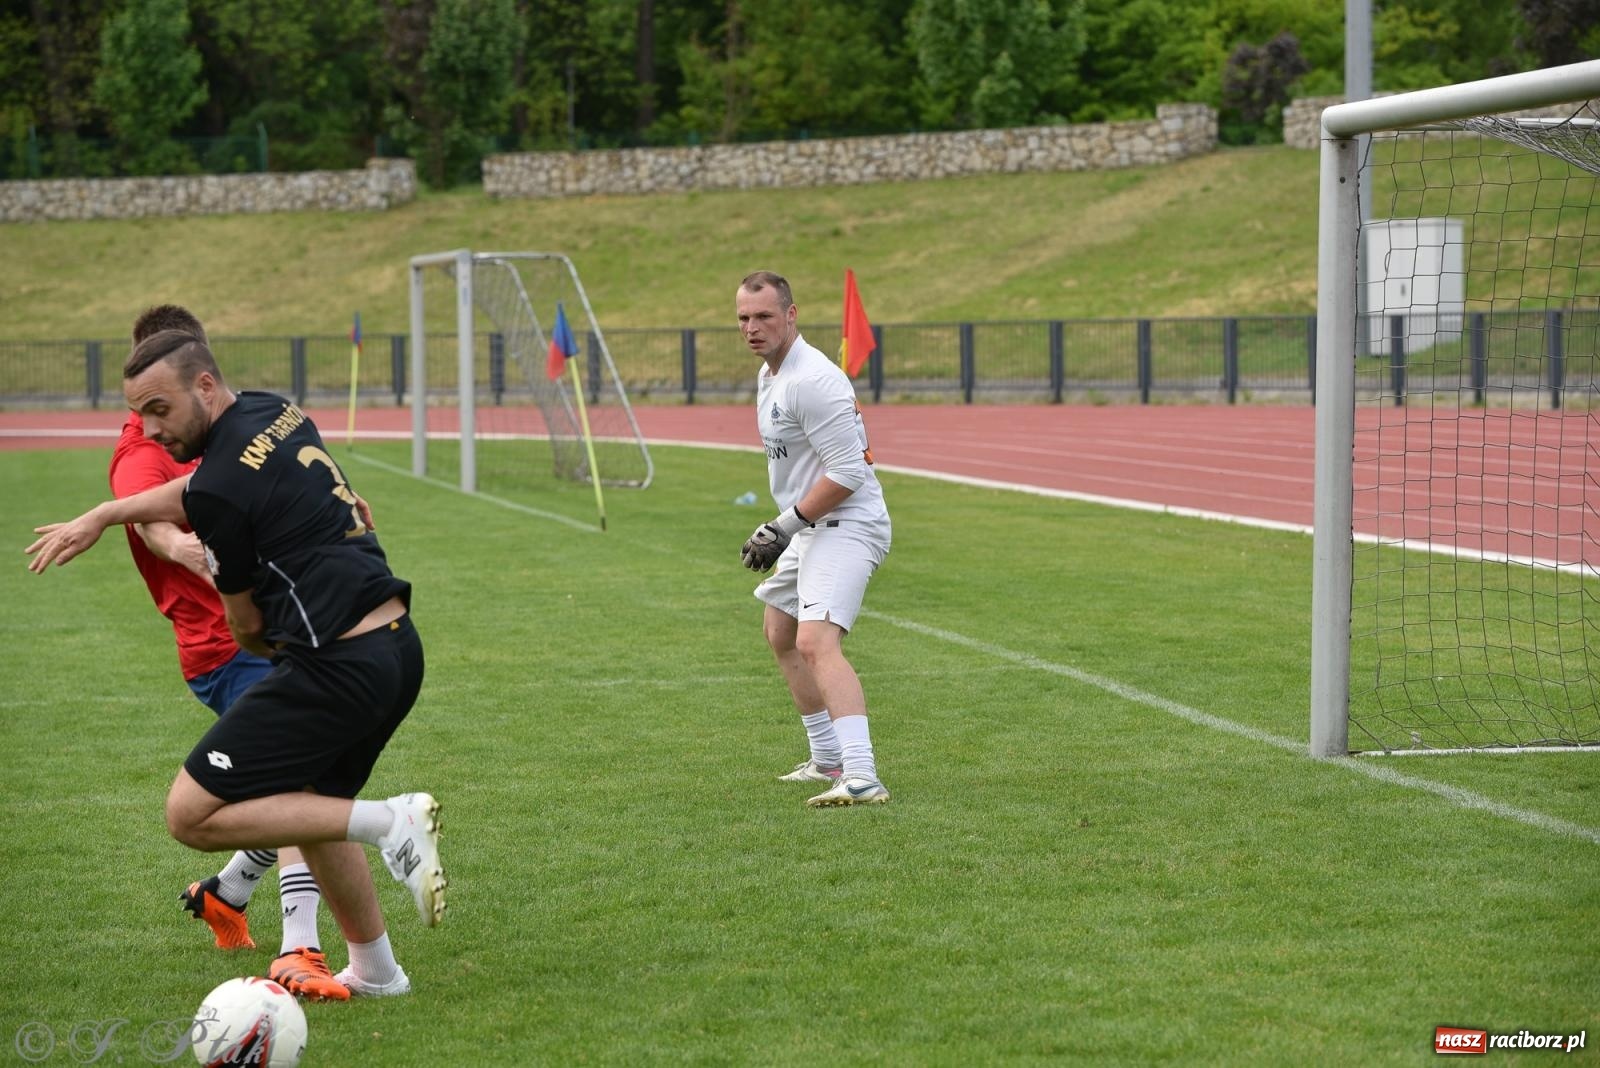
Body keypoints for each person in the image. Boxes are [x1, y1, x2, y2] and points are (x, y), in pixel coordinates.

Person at [28, 329, 446, 999]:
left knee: (190, 815)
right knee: (308, 807)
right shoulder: (269, 408)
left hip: (337, 663)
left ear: (201, 386)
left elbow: (246, 624)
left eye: (159, 410)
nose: (151, 430)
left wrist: (274, 658)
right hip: (398, 644)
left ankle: (389, 821)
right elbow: (196, 489)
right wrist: (106, 513)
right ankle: (377, 972)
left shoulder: (220, 490)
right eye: (140, 416)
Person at [113, 304, 338, 998]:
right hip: (224, 649)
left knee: (314, 774)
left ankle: (229, 891)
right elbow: (148, 511)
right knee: (300, 786)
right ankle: (302, 947)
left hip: (280, 631)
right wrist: (179, 543)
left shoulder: (223, 425)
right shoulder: (142, 449)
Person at [735, 270, 892, 806]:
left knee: (815, 641)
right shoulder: (770, 373)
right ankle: (827, 759)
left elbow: (848, 473)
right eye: (744, 318)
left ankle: (863, 775)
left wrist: (782, 527)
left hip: (848, 523)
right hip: (809, 526)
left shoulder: (813, 379)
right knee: (780, 630)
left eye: (764, 316)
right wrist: (788, 526)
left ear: (792, 315)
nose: (752, 328)